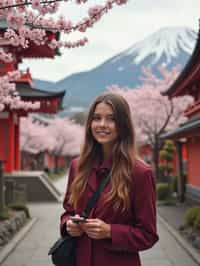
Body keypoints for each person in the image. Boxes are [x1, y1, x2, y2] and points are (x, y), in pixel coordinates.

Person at [60, 92, 159, 266]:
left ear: (123, 125)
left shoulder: (140, 173)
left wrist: (110, 231)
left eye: (111, 119)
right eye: (96, 118)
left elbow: (148, 235)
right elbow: (68, 211)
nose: (102, 125)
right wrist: (68, 225)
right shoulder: (78, 166)